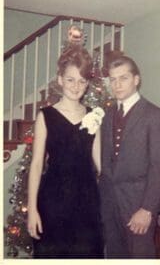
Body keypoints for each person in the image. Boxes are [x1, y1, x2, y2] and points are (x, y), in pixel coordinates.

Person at [27, 45, 104, 258]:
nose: (76, 86)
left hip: (87, 203)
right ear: (60, 79)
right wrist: (32, 210)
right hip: (53, 202)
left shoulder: (93, 116)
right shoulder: (45, 116)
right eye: (70, 79)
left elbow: (102, 166)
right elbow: (36, 166)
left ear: (87, 83)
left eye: (82, 80)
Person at [99, 54, 160, 258]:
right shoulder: (107, 115)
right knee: (115, 256)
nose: (117, 84)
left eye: (123, 78)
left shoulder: (155, 116)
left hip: (138, 205)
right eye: (113, 79)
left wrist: (147, 209)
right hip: (110, 203)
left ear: (136, 80)